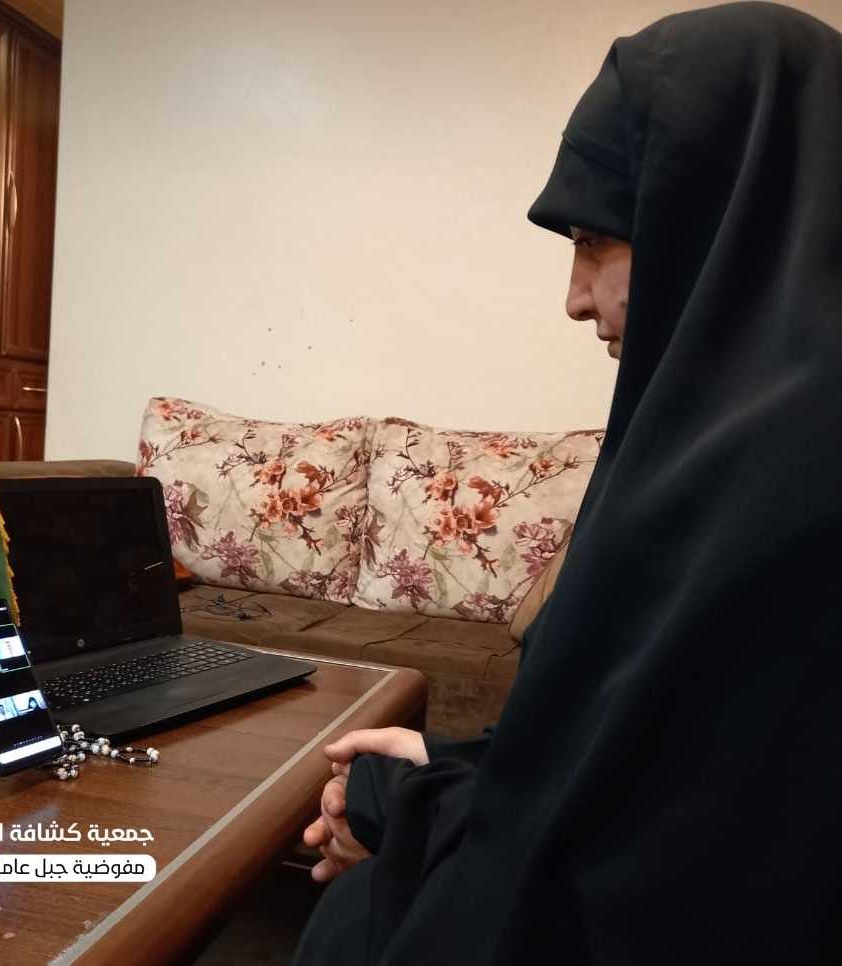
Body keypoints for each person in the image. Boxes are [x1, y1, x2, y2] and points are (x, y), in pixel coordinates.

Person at [292, 3, 842, 963]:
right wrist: (442, 762)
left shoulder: (794, 481)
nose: (575, 298)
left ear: (719, 214)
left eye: (596, 241)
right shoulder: (753, 432)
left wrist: (403, 811)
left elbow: (664, 884)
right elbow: (642, 762)